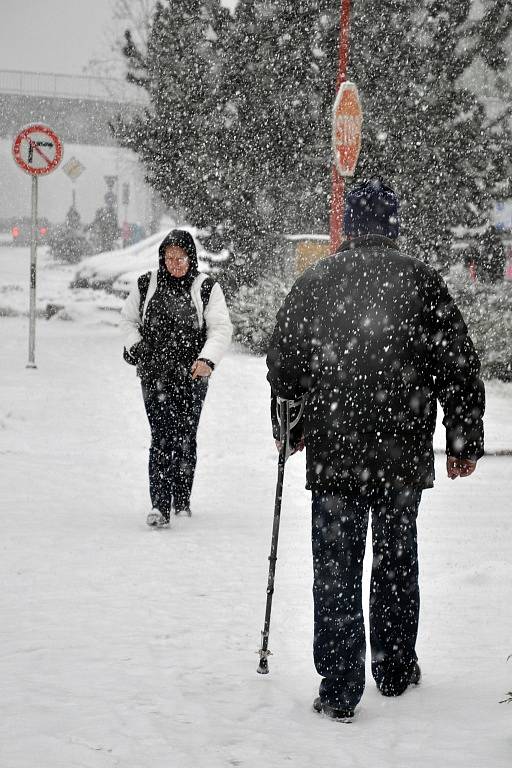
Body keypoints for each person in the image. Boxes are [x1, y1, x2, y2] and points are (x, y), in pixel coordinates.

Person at [266, 179, 485, 721]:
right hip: (402, 457)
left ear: (349, 224)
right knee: (396, 560)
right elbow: (458, 366)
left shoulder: (316, 282)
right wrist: (462, 440)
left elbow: (285, 366)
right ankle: (392, 668)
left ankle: (340, 687)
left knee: (335, 565)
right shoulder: (421, 281)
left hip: (335, 453)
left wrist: (287, 428)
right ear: (392, 224)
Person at [120, 229, 232, 526]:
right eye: (169, 258)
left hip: (191, 376)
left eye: (180, 257)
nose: (175, 263)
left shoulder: (205, 287)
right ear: (162, 258)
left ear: (191, 257)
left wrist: (206, 359)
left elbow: (220, 328)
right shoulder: (146, 285)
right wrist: (136, 346)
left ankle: (182, 499)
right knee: (161, 436)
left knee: (184, 435)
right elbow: (128, 321)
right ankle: (159, 505)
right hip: (154, 374)